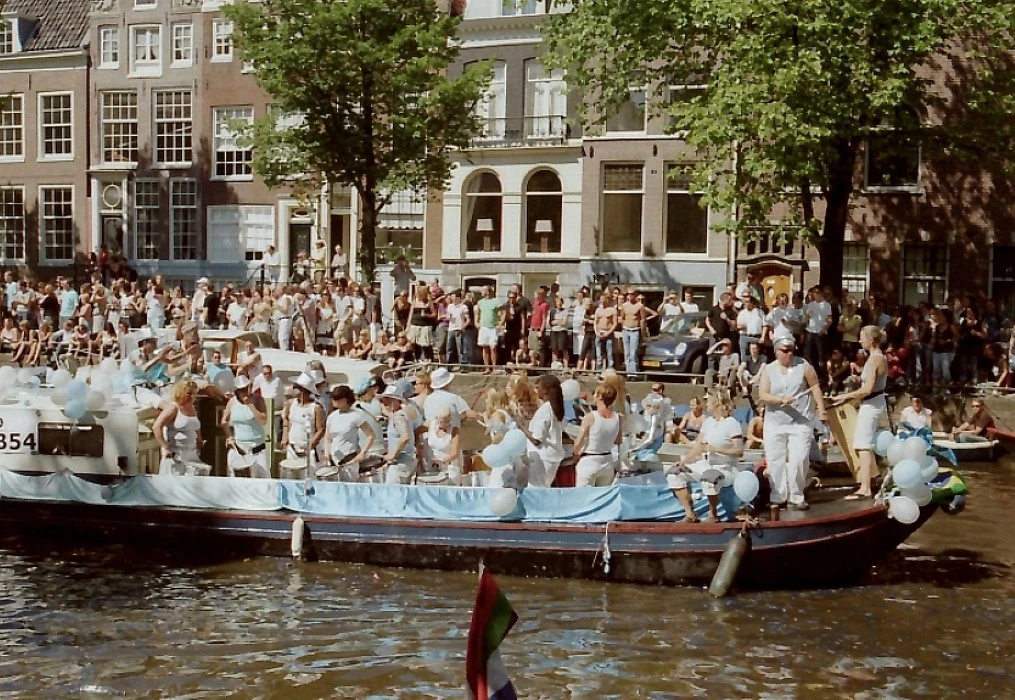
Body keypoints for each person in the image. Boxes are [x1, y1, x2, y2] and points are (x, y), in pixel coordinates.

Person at [758, 336, 827, 510]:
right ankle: (778, 495)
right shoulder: (768, 369)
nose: (789, 353)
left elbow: (815, 387)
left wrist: (821, 409)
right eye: (784, 350)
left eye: (791, 350)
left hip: (800, 421)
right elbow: (763, 395)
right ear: (776, 351)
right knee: (775, 460)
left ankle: (796, 495)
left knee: (799, 459)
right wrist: (780, 399)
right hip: (775, 422)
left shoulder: (803, 366)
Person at [666, 393, 744, 522]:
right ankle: (690, 513)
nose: (706, 404)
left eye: (708, 401)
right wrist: (684, 461)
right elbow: (698, 446)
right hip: (706, 463)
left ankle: (713, 514)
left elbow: (738, 451)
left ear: (717, 403)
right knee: (674, 473)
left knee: (710, 477)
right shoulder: (708, 422)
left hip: (726, 467)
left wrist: (715, 449)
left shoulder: (732, 423)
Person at [834, 326, 888, 500]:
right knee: (862, 443)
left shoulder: (875, 359)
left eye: (862, 337)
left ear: (871, 340)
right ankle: (871, 480)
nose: (859, 340)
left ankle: (865, 488)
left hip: (872, 404)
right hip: (871, 403)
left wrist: (846, 396)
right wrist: (857, 378)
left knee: (863, 445)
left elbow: (867, 389)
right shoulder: (873, 358)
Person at [518, 374, 566, 488]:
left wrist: (521, 425)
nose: (535, 390)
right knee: (544, 488)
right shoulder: (557, 408)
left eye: (537, 387)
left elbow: (537, 439)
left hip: (542, 458)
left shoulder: (546, 408)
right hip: (552, 456)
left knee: (536, 490)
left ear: (545, 390)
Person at [572, 382, 623, 487]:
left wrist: (575, 453)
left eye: (595, 393)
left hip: (590, 460)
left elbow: (579, 441)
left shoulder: (591, 417)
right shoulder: (618, 418)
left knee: (583, 497)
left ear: (600, 396)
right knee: (602, 497)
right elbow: (618, 440)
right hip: (607, 461)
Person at [153, 380, 209, 475]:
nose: (192, 397)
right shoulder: (173, 408)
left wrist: (200, 440)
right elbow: (156, 427)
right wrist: (165, 447)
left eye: (194, 394)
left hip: (192, 453)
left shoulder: (193, 409)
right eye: (188, 393)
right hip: (176, 454)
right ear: (180, 392)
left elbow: (196, 427)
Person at [221, 376, 270, 478]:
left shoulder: (258, 400)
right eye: (241, 390)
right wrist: (229, 437)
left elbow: (263, 420)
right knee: (235, 479)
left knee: (264, 481)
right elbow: (224, 421)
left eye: (245, 388)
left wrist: (250, 405)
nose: (244, 392)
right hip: (239, 449)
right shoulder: (232, 402)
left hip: (257, 449)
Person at [325, 385, 376, 481]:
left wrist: (362, 453)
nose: (334, 401)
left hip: (349, 459)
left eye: (338, 398)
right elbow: (328, 438)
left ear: (346, 399)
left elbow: (371, 435)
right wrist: (327, 454)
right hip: (333, 460)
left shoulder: (355, 416)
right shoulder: (332, 416)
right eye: (334, 398)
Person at [280, 372, 326, 469]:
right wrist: (285, 436)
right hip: (292, 447)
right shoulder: (290, 403)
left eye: (296, 387)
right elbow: (286, 420)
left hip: (309, 449)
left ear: (303, 390)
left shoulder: (317, 408)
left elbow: (321, 429)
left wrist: (311, 445)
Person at [379, 385, 417, 484]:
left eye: (388, 401)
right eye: (384, 401)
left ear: (396, 401)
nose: (385, 404)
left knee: (392, 493)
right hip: (406, 461)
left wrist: (393, 455)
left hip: (400, 462)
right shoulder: (399, 415)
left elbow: (405, 437)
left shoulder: (398, 417)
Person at [426, 408, 464, 483]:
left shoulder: (454, 431)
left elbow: (455, 453)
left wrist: (442, 461)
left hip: (449, 467)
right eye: (442, 421)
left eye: (448, 421)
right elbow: (416, 431)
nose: (446, 424)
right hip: (432, 466)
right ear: (437, 419)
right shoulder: (431, 425)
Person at [476, 286, 505, 375]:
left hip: (492, 327)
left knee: (493, 348)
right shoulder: (480, 302)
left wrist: (500, 324)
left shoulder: (496, 301)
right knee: (485, 347)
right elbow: (477, 313)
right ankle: (487, 368)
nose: (481, 292)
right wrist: (477, 323)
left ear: (488, 292)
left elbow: (504, 312)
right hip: (483, 327)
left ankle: (494, 367)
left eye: (483, 290)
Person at [593, 292, 618, 371]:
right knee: (599, 353)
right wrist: (596, 331)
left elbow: (615, 323)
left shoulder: (613, 310)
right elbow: (595, 321)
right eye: (601, 300)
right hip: (599, 333)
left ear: (607, 300)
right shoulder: (598, 310)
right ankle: (598, 370)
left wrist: (609, 332)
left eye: (604, 300)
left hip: (608, 333)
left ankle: (610, 368)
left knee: (609, 353)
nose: (602, 302)